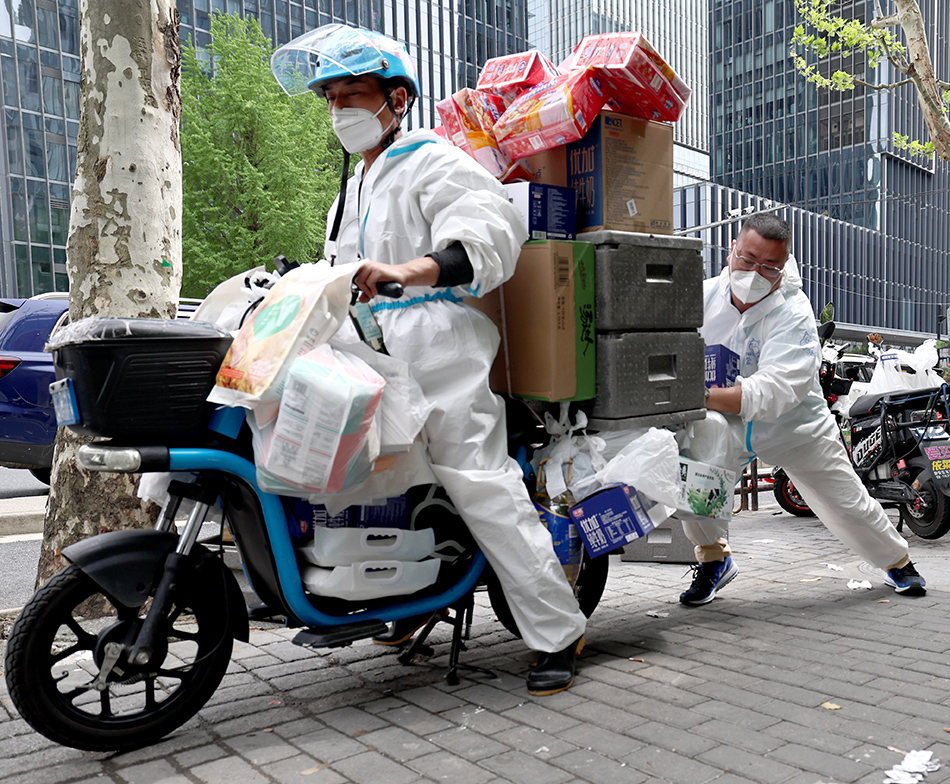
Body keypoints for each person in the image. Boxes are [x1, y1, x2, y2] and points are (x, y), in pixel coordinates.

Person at [271, 25, 586, 695]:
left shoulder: (433, 159)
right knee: (372, 478)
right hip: (370, 348)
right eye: (328, 97)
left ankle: (557, 632)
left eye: (351, 94)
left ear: (398, 96)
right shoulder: (358, 180)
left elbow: (489, 235)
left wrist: (408, 271)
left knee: (479, 482)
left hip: (438, 344)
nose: (338, 109)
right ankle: (402, 599)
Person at [680, 213, 926, 605]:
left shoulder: (793, 312)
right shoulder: (704, 295)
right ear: (731, 250)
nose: (754, 272)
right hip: (725, 420)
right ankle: (714, 559)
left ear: (783, 267)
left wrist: (698, 395)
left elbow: (775, 390)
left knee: (845, 499)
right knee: (697, 476)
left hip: (794, 426)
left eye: (768, 266)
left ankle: (897, 562)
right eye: (747, 260)